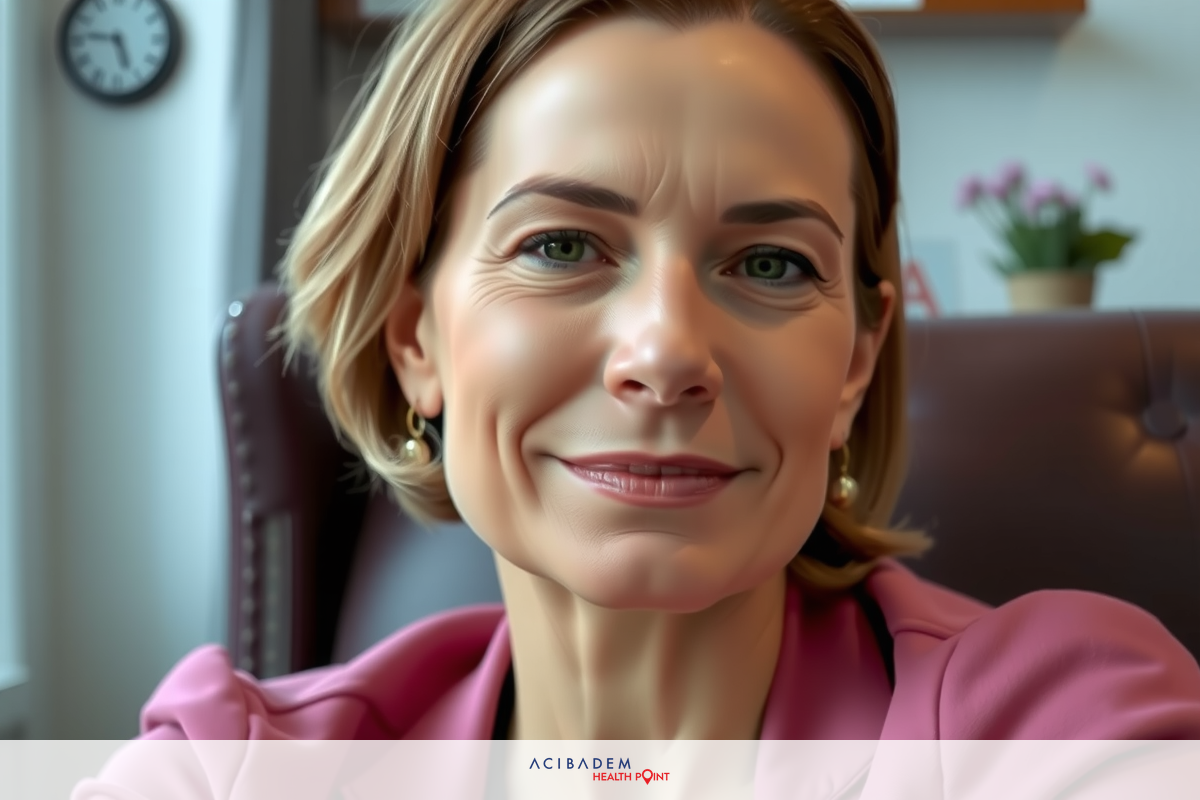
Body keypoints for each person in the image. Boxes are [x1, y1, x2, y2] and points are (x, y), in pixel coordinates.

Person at [132, 0, 1200, 744]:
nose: (667, 354)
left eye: (771, 264)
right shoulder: (236, 761)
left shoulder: (1056, 714)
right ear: (414, 337)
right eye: (560, 246)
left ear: (856, 362)